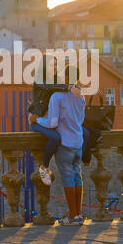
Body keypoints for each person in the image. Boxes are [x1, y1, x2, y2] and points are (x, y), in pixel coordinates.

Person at [30, 65, 85, 226]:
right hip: (78, 141)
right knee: (77, 177)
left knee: (68, 178)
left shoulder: (57, 97)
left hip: (66, 142)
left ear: (66, 79)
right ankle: (79, 215)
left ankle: (73, 216)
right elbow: (80, 121)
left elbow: (52, 123)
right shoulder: (80, 96)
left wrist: (36, 120)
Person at [28, 54, 89, 186]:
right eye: (51, 65)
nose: (55, 67)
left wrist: (77, 86)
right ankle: (44, 167)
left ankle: (79, 160)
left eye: (56, 64)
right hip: (37, 121)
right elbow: (50, 87)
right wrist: (69, 88)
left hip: (52, 121)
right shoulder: (39, 81)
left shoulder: (57, 80)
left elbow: (66, 86)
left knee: (84, 132)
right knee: (56, 137)